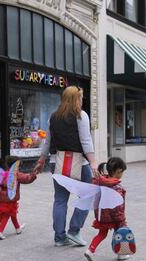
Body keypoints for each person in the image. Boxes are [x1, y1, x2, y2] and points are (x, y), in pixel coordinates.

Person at [33, 86, 99, 247]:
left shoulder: (53, 117)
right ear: (75, 99)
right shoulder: (81, 116)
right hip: (79, 163)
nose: (82, 101)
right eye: (81, 97)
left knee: (60, 200)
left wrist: (41, 161)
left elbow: (47, 143)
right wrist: (93, 162)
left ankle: (59, 237)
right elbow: (86, 141)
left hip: (58, 163)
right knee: (87, 195)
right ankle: (74, 231)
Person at [84, 157, 129, 261]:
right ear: (118, 171)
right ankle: (121, 254)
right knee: (121, 233)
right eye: (122, 172)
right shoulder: (116, 186)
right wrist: (121, 219)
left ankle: (90, 250)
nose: (122, 174)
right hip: (115, 217)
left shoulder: (101, 182)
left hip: (102, 215)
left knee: (102, 234)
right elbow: (117, 206)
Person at [0, 155, 37, 240]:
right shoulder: (16, 174)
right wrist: (33, 174)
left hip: (2, 198)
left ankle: (18, 228)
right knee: (7, 214)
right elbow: (27, 179)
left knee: (12, 212)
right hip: (11, 198)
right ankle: (0, 231)